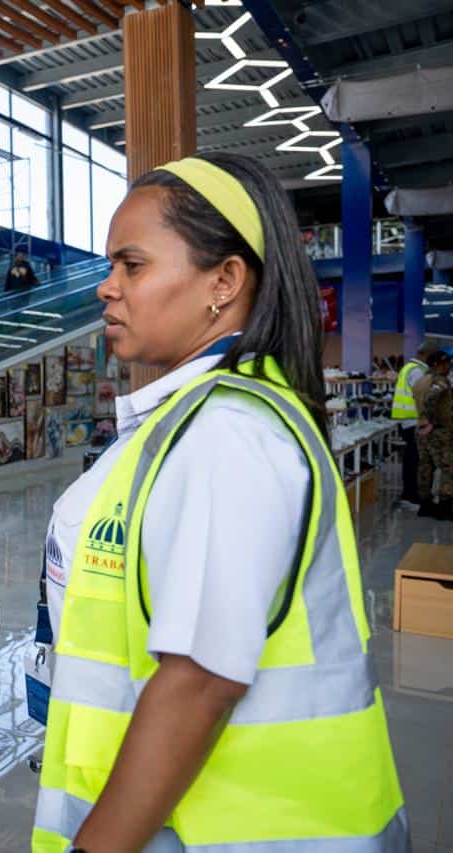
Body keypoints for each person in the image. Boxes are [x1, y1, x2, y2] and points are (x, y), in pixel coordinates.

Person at [33, 153, 407, 852]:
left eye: (132, 265)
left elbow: (200, 683)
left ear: (224, 281)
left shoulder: (229, 432)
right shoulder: (196, 419)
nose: (107, 287)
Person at [392, 341, 439, 509]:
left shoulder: (409, 368)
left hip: (409, 421)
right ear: (427, 355)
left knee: (413, 459)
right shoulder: (417, 371)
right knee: (416, 461)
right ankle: (411, 497)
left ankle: (411, 495)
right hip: (414, 422)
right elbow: (423, 397)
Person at [415, 350, 453, 519]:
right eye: (446, 363)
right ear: (439, 365)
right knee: (447, 467)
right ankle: (445, 507)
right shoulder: (440, 381)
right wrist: (432, 422)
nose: (449, 366)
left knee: (425, 467)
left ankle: (425, 505)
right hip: (439, 431)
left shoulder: (422, 380)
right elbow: (431, 399)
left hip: (421, 428)